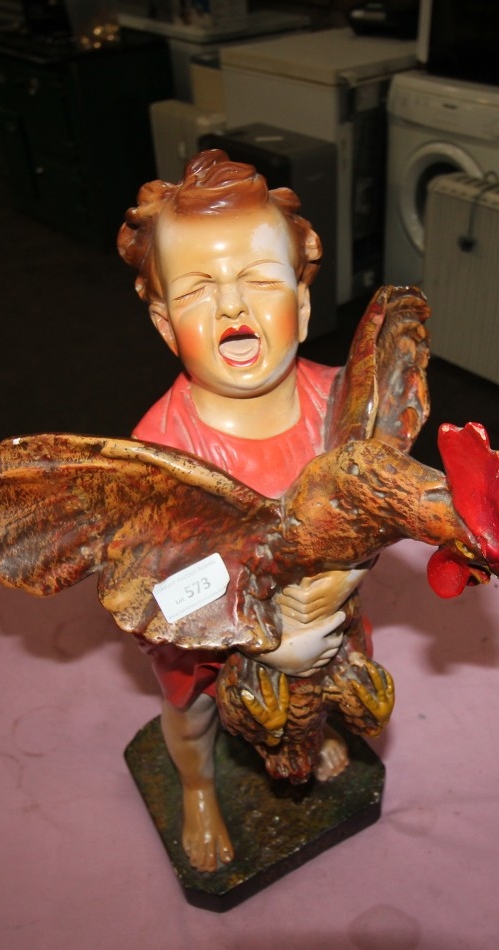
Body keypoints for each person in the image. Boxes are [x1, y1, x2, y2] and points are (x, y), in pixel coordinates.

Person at [116, 150, 367, 872]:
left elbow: (373, 507)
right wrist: (261, 642)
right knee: (194, 712)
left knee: (324, 675)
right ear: (166, 324)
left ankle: (310, 725)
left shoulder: (344, 405)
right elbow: (163, 593)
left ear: (304, 305)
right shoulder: (160, 458)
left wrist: (340, 585)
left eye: (259, 280)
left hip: (326, 604)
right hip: (206, 634)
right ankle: (198, 788)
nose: (232, 306)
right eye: (199, 290)